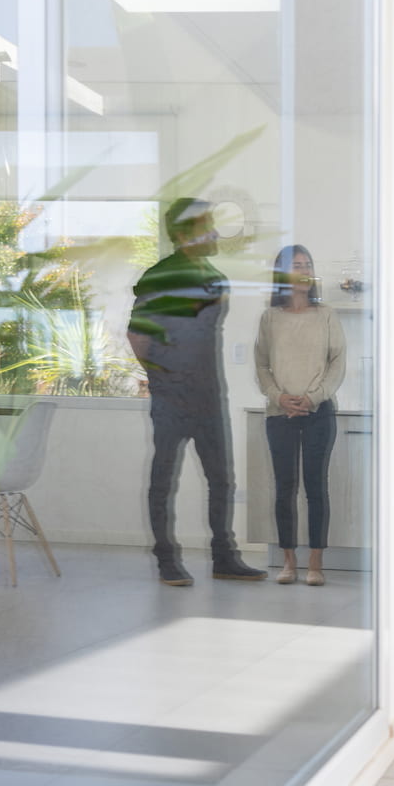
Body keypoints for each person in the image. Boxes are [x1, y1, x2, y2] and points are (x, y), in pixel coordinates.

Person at [128, 197, 267, 587]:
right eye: (205, 224)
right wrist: (165, 379)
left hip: (210, 395)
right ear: (183, 233)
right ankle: (166, 560)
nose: (213, 231)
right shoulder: (159, 275)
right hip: (172, 396)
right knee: (164, 478)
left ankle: (225, 558)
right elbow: (137, 335)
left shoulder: (215, 276)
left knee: (222, 479)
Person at [254, 244, 346, 586]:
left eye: (308, 264)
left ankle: (315, 563)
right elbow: (261, 365)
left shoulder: (326, 315)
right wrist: (280, 397)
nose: (304, 269)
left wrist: (314, 398)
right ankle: (289, 562)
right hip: (279, 415)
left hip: (320, 413)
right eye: (297, 264)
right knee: (284, 489)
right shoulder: (269, 318)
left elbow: (337, 363)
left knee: (316, 487)